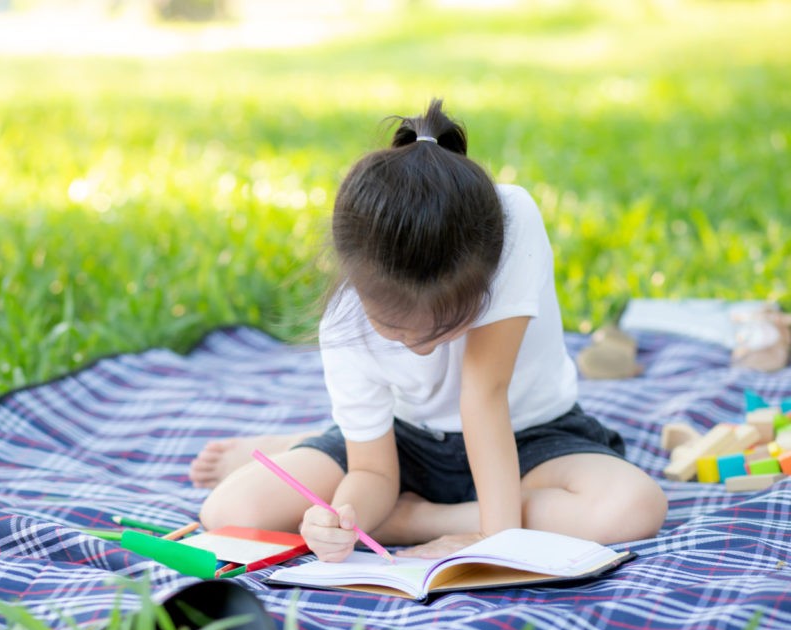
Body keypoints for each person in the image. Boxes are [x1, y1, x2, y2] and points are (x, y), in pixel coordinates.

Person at [193, 99, 667, 562]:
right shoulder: (345, 319)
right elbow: (375, 471)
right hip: (405, 445)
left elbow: (484, 394)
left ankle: (412, 518)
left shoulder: (506, 223)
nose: (419, 347)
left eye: (443, 327)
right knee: (230, 511)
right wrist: (343, 518)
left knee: (632, 507)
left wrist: (494, 541)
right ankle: (313, 449)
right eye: (397, 331)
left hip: (529, 436)